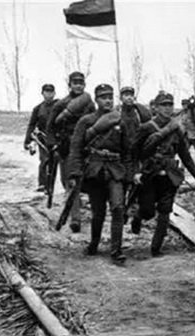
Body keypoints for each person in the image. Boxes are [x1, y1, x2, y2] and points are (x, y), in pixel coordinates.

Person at [131, 92, 195, 256]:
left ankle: (155, 248)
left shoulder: (176, 129)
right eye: (163, 105)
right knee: (148, 211)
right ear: (156, 107)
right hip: (150, 175)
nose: (167, 108)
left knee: (165, 211)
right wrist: (136, 172)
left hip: (170, 175)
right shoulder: (147, 128)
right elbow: (134, 153)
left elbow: (185, 157)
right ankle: (138, 216)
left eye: (170, 105)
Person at [66, 84, 132, 265]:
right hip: (95, 170)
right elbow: (76, 149)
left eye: (110, 97)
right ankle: (94, 243)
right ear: (96, 100)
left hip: (115, 170)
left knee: (118, 208)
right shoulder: (86, 121)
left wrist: (129, 175)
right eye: (103, 97)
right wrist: (74, 173)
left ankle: (116, 250)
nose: (108, 100)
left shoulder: (120, 121)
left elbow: (127, 152)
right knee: (98, 212)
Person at [47, 71, 96, 233]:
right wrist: (53, 145)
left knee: (87, 181)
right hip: (67, 148)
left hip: (85, 147)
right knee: (68, 182)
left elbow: (96, 122)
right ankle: (75, 215)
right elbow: (50, 128)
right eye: (75, 83)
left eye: (81, 83)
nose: (78, 86)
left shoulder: (89, 104)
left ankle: (83, 216)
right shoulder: (61, 105)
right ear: (69, 85)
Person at [24, 83, 58, 192]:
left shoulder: (59, 106)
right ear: (42, 93)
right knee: (44, 161)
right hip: (43, 138)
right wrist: (27, 141)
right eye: (46, 92)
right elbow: (32, 125)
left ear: (54, 93)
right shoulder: (38, 109)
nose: (49, 94)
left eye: (51, 92)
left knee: (55, 162)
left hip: (57, 138)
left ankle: (51, 186)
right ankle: (43, 184)